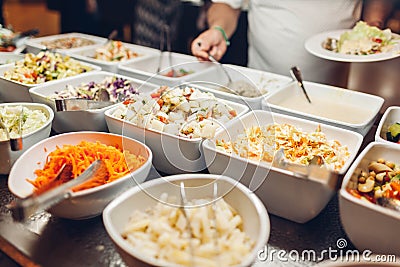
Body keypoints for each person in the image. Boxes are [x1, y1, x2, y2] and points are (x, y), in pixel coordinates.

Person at [191, 0, 394, 88]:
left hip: (342, 86)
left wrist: (372, 26)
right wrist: (218, 29)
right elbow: (227, 4)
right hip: (266, 83)